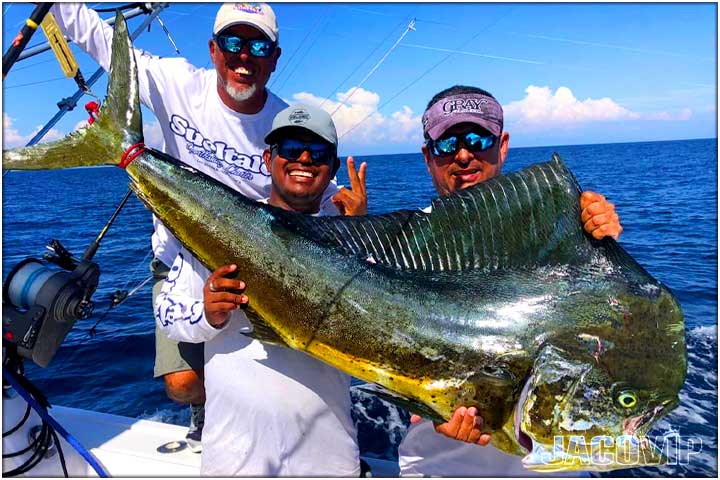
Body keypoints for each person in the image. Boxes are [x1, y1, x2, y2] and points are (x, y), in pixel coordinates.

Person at [51, 3, 353, 451]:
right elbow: (101, 41)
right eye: (233, 42)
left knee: (274, 374)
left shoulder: (283, 125)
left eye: (257, 45)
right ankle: (209, 413)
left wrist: (348, 210)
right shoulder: (177, 84)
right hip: (181, 263)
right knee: (183, 383)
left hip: (259, 270)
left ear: (274, 56)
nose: (243, 55)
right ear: (214, 50)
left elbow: (311, 182)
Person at [398, 85, 623, 477]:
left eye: (477, 138)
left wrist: (604, 249)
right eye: (446, 143)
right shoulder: (403, 249)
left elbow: (603, 342)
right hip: (437, 467)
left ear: (501, 145)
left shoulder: (558, 231)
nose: (463, 154)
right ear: (427, 156)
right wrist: (432, 406)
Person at [154, 104, 365, 476]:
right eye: (289, 149)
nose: (303, 159)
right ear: (269, 158)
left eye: (317, 153)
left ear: (332, 169)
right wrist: (206, 314)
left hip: (329, 461)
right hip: (233, 461)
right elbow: (167, 315)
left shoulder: (351, 239)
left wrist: (359, 237)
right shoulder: (220, 227)